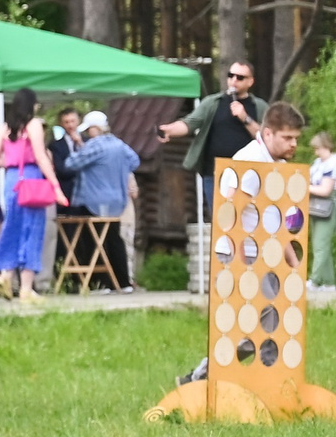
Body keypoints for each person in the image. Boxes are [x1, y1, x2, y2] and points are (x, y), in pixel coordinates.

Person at [158, 59, 263, 213]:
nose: (234, 80)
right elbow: (190, 123)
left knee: (246, 219)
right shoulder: (213, 103)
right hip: (215, 173)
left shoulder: (258, 106)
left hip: (248, 175)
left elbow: (266, 139)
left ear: (250, 81)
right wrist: (169, 130)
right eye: (231, 75)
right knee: (220, 218)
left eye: (240, 77)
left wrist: (245, 118)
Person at [0, 88, 63, 300]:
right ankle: (26, 288)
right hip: (31, 179)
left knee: (12, 227)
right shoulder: (34, 125)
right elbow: (41, 157)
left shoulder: (5, 128)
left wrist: (12, 165)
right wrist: (55, 184)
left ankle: (5, 275)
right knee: (32, 229)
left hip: (12, 179)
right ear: (32, 104)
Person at [63, 111, 140, 291]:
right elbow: (134, 161)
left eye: (89, 129)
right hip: (118, 200)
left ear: (95, 128)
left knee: (95, 240)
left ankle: (101, 283)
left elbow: (71, 163)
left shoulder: (96, 145)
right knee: (114, 238)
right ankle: (122, 282)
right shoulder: (119, 145)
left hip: (95, 200)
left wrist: (82, 149)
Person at [306, 131, 336, 294]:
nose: (316, 152)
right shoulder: (318, 163)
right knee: (320, 244)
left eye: (319, 149)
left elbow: (325, 189)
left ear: (327, 146)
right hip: (317, 206)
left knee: (321, 244)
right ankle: (329, 283)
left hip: (329, 205)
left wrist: (304, 188)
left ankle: (314, 281)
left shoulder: (334, 163)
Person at [233, 101, 304, 163]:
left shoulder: (278, 160)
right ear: (268, 134)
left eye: (296, 138)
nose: (294, 144)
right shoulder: (251, 161)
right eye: (287, 138)